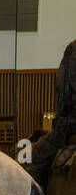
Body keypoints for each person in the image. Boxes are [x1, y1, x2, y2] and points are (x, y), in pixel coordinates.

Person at [25, 39, 76, 185]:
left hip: (72, 124)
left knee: (33, 162)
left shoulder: (73, 48)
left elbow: (63, 91)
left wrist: (59, 120)